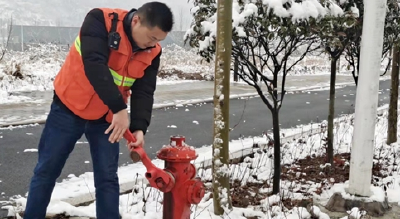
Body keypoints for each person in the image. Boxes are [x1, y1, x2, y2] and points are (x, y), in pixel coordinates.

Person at [23, 2, 174, 219]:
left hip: (105, 117)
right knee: (47, 171)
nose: (154, 44)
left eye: (159, 40)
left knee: (107, 177)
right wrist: (120, 110)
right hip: (68, 107)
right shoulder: (100, 21)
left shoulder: (152, 51)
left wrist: (139, 128)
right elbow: (94, 65)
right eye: (152, 37)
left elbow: (144, 91)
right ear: (136, 20)